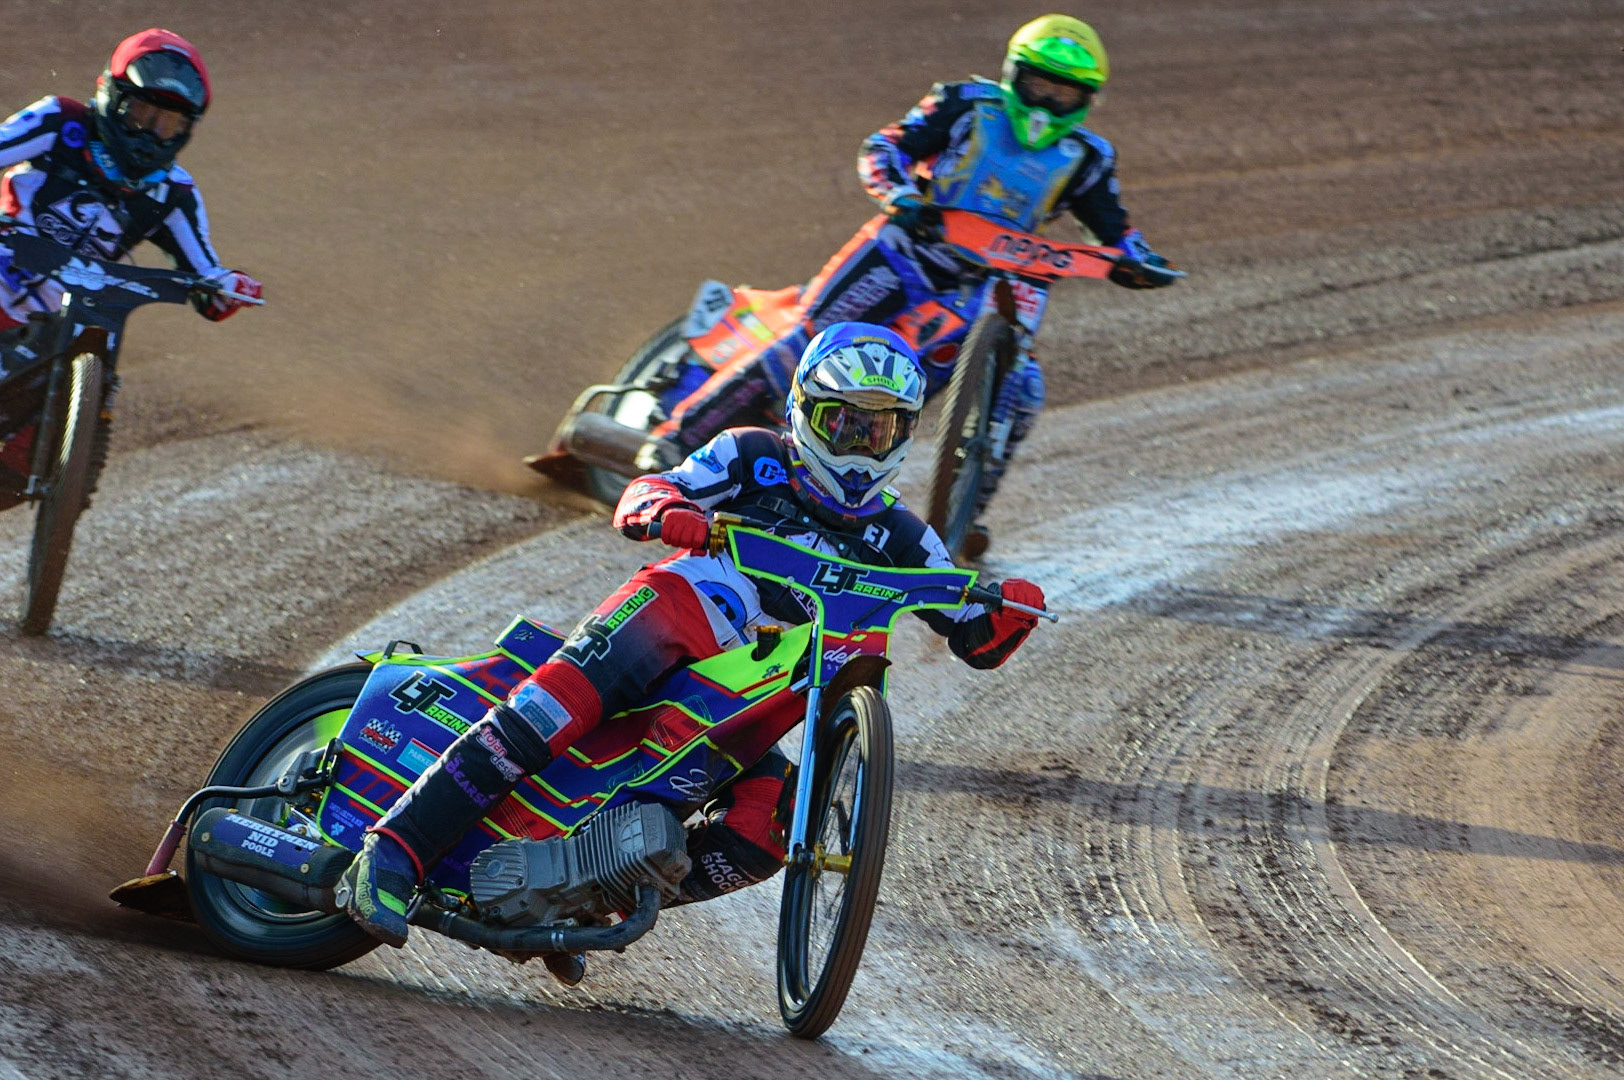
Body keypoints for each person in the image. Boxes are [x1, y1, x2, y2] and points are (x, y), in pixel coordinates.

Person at [342, 323, 1047, 970]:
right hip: (673, 618)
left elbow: (974, 637)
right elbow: (651, 490)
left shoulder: (903, 537)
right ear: (805, 410)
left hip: (749, 700)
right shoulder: (753, 454)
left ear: (907, 432)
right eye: (845, 424)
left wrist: (1010, 611)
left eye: (881, 428)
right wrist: (665, 511)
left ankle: (584, 901)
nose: (862, 445)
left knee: (763, 833)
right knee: (546, 714)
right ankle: (390, 853)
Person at [639, 14, 1178, 557]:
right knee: (810, 341)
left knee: (1024, 389)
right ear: (1014, 75)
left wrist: (1140, 262)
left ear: (1086, 100)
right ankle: (674, 441)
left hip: (982, 282)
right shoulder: (967, 104)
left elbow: (1116, 230)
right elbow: (884, 148)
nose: (1045, 102)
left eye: (1063, 92)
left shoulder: (1086, 159)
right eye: (1039, 84)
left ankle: (960, 518)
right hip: (903, 248)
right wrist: (899, 194)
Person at [0, 29, 261, 343]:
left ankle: (93, 389)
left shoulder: (174, 194)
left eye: (168, 124)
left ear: (186, 129)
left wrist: (230, 287)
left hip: (58, 324)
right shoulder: (60, 121)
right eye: (142, 115)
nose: (151, 133)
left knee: (101, 337)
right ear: (113, 94)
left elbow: (207, 275)